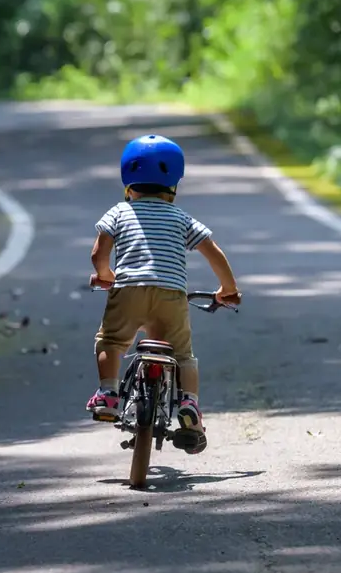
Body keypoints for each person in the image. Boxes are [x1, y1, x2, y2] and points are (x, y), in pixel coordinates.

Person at [86, 133, 240, 454]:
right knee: (182, 355)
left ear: (128, 181)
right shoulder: (182, 218)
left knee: (112, 342)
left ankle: (109, 394)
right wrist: (228, 288)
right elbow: (214, 253)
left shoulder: (118, 212)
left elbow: (99, 253)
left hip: (127, 290)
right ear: (174, 185)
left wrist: (104, 275)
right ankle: (190, 405)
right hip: (171, 295)